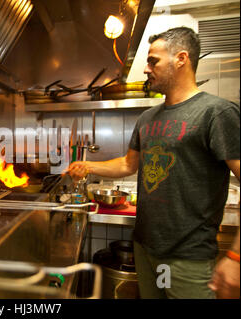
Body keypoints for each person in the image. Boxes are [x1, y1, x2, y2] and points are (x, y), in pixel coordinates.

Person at [66, 27, 240, 299]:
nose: (146, 69)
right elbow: (127, 164)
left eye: (153, 61)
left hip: (187, 257)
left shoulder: (216, 113)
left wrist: (236, 257)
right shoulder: (147, 118)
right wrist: (88, 166)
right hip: (145, 248)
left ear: (181, 58)